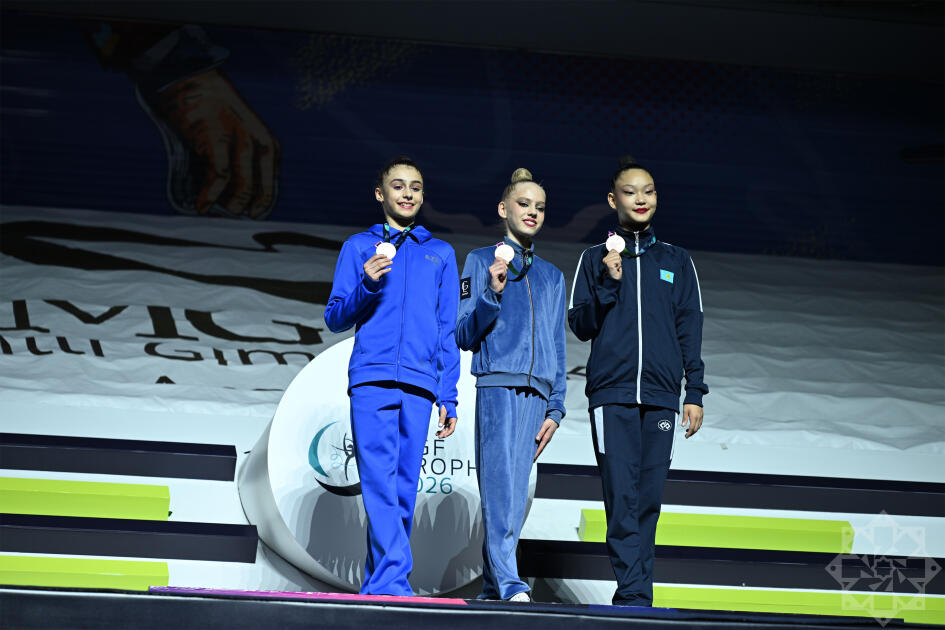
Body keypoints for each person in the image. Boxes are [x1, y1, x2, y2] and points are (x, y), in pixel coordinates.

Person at [567, 155, 707, 607]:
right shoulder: (594, 258)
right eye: (630, 192)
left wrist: (694, 391)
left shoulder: (677, 260)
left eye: (648, 191)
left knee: (648, 499)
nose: (640, 199)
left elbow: (690, 329)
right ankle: (634, 595)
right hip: (613, 395)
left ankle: (635, 595)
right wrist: (609, 282)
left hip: (662, 397)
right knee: (621, 496)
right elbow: (581, 325)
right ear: (613, 200)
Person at [324, 156, 460, 596]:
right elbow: (335, 317)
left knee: (402, 489)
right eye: (398, 186)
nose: (407, 193)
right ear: (380, 194)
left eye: (415, 187)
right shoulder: (358, 247)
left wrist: (449, 395)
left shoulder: (439, 253)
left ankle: (379, 585)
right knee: (379, 484)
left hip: (420, 384)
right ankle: (396, 576)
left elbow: (447, 330)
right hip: (372, 378)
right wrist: (366, 283)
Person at [456, 168, 567, 602]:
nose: (532, 212)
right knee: (500, 489)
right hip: (498, 388)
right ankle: (510, 582)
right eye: (524, 204)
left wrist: (556, 407)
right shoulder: (481, 260)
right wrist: (492, 293)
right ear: (504, 209)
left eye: (540, 207)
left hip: (538, 396)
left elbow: (557, 344)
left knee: (514, 495)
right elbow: (464, 334)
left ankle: (493, 588)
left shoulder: (552, 276)